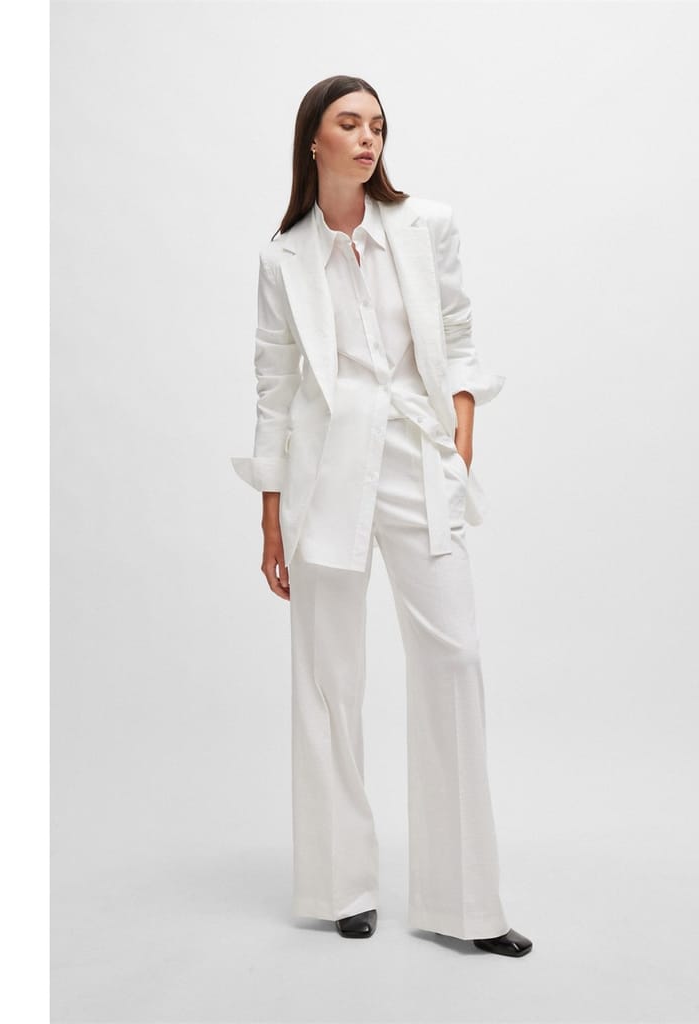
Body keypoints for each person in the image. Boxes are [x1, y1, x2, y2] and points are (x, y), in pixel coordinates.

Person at [231, 75, 532, 958]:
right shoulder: (282, 258)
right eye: (349, 124)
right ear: (314, 141)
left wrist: (458, 448)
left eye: (378, 126)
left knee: (454, 657)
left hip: (415, 460)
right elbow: (275, 386)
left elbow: (460, 338)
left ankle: (467, 905)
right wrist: (270, 516)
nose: (368, 139)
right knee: (330, 679)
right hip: (324, 474)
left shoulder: (425, 225)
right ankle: (341, 888)